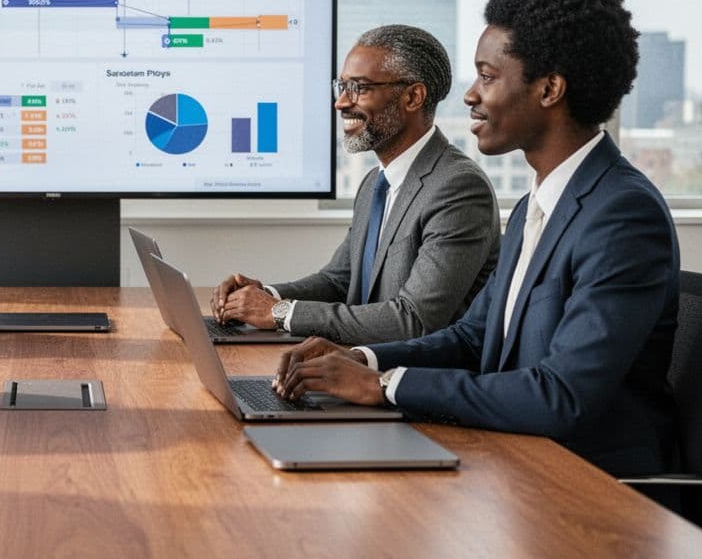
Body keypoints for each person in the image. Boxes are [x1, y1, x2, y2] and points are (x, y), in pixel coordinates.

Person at [273, 0, 679, 478]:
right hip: (512, 459)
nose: (469, 95)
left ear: (550, 88)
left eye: (487, 77)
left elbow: (561, 395)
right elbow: (471, 338)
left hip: (586, 487)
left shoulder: (621, 215)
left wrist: (385, 386)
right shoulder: (542, 202)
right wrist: (362, 357)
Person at [210, 25, 499, 345]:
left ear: (413, 97)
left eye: (359, 88)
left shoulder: (458, 188)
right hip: (357, 365)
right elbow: (339, 281)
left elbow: (413, 320)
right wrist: (263, 296)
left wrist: (280, 312)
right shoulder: (375, 183)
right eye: (341, 86)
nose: (341, 103)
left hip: (413, 382)